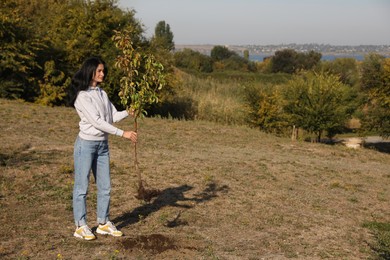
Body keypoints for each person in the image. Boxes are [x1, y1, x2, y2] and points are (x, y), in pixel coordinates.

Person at [71, 57, 137, 240]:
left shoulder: (102, 93)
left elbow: (112, 116)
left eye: (103, 71)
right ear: (90, 71)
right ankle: (80, 225)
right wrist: (122, 133)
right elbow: (97, 122)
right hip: (86, 145)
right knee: (82, 187)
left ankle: (103, 223)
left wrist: (128, 112)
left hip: (102, 146)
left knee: (105, 186)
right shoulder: (83, 96)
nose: (102, 74)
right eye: (99, 71)